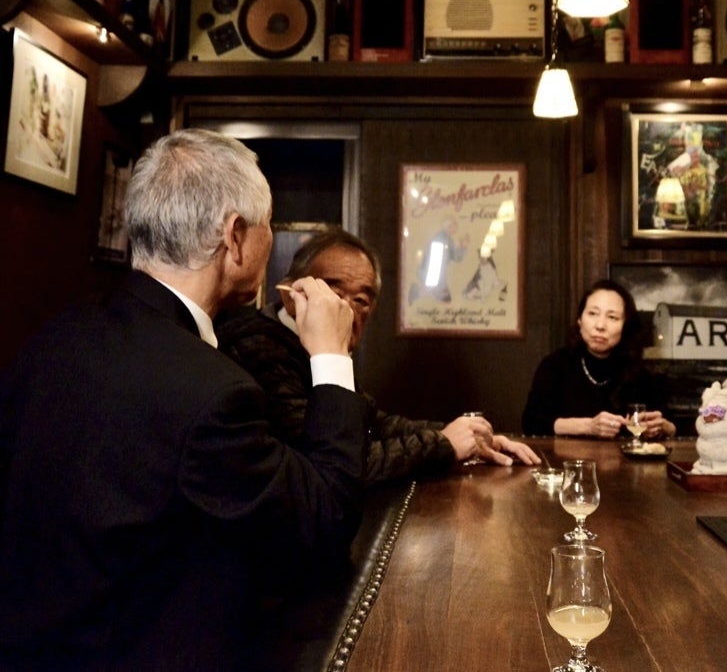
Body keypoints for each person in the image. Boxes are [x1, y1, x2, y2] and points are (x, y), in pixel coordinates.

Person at [0, 130, 370, 671]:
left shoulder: (56, 334)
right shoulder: (213, 394)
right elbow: (323, 520)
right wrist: (332, 357)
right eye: (269, 222)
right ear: (235, 237)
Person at [217, 228, 540, 480]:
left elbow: (372, 423)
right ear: (291, 295)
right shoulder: (259, 348)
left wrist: (471, 436)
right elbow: (332, 463)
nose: (346, 310)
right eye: (332, 292)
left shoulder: (320, 349)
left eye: (361, 300)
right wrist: (443, 444)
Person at [522, 279, 676, 439]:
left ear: (626, 326)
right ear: (580, 320)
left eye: (612, 317)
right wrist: (588, 427)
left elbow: (672, 425)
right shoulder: (554, 366)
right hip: (566, 455)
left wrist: (664, 428)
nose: (600, 325)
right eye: (593, 314)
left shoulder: (641, 374)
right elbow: (531, 423)